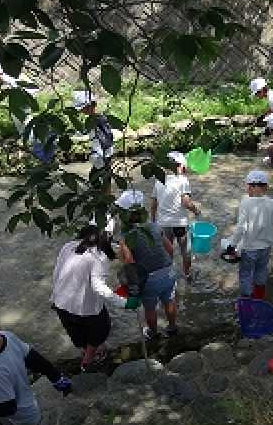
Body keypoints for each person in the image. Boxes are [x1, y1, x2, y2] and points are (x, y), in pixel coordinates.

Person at [51, 225, 140, 371]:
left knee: (77, 333)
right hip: (85, 309)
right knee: (101, 329)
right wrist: (125, 303)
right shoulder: (98, 257)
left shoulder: (68, 246)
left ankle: (85, 354)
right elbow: (99, 287)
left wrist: (54, 297)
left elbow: (57, 271)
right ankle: (89, 360)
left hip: (60, 303)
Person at [118, 193, 178, 341]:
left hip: (149, 279)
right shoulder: (153, 225)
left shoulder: (126, 235)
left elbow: (130, 262)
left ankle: (153, 333)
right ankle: (172, 327)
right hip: (168, 271)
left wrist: (132, 286)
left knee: (150, 309)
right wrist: (166, 267)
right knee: (169, 300)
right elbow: (170, 249)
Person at [225, 170, 273, 300]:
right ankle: (259, 300)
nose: (246, 188)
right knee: (261, 273)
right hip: (266, 247)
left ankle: (247, 303)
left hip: (249, 248)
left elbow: (241, 228)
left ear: (254, 186)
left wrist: (231, 245)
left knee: (246, 275)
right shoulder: (272, 203)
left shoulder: (246, 203)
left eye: (248, 185)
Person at [151, 151, 201, 282]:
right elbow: (186, 202)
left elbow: (153, 205)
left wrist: (153, 222)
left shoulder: (159, 181)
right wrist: (196, 210)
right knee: (186, 251)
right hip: (179, 224)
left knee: (167, 251)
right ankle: (188, 275)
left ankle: (168, 278)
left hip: (163, 224)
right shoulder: (183, 181)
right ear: (180, 166)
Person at [74, 90, 114, 194]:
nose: (81, 111)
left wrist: (101, 155)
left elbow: (105, 138)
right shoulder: (100, 118)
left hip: (102, 155)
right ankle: (105, 197)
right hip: (105, 153)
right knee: (104, 178)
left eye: (83, 108)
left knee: (96, 178)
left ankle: (103, 199)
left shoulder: (95, 120)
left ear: (89, 106)